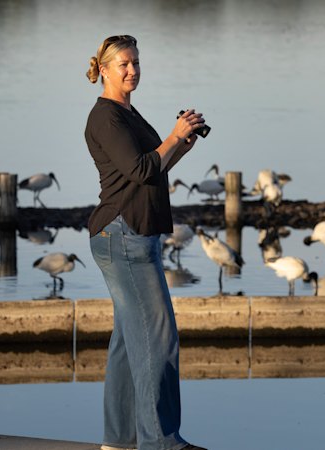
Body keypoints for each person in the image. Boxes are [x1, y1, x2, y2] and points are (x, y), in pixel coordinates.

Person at [85, 34, 207, 450]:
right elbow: (140, 169)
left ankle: (120, 440)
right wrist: (173, 135)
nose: (133, 70)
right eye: (124, 64)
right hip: (123, 236)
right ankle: (160, 441)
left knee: (128, 342)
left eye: (136, 62)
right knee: (158, 337)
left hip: (133, 234)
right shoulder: (106, 117)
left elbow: (153, 167)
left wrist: (182, 144)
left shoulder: (126, 112)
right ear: (104, 70)